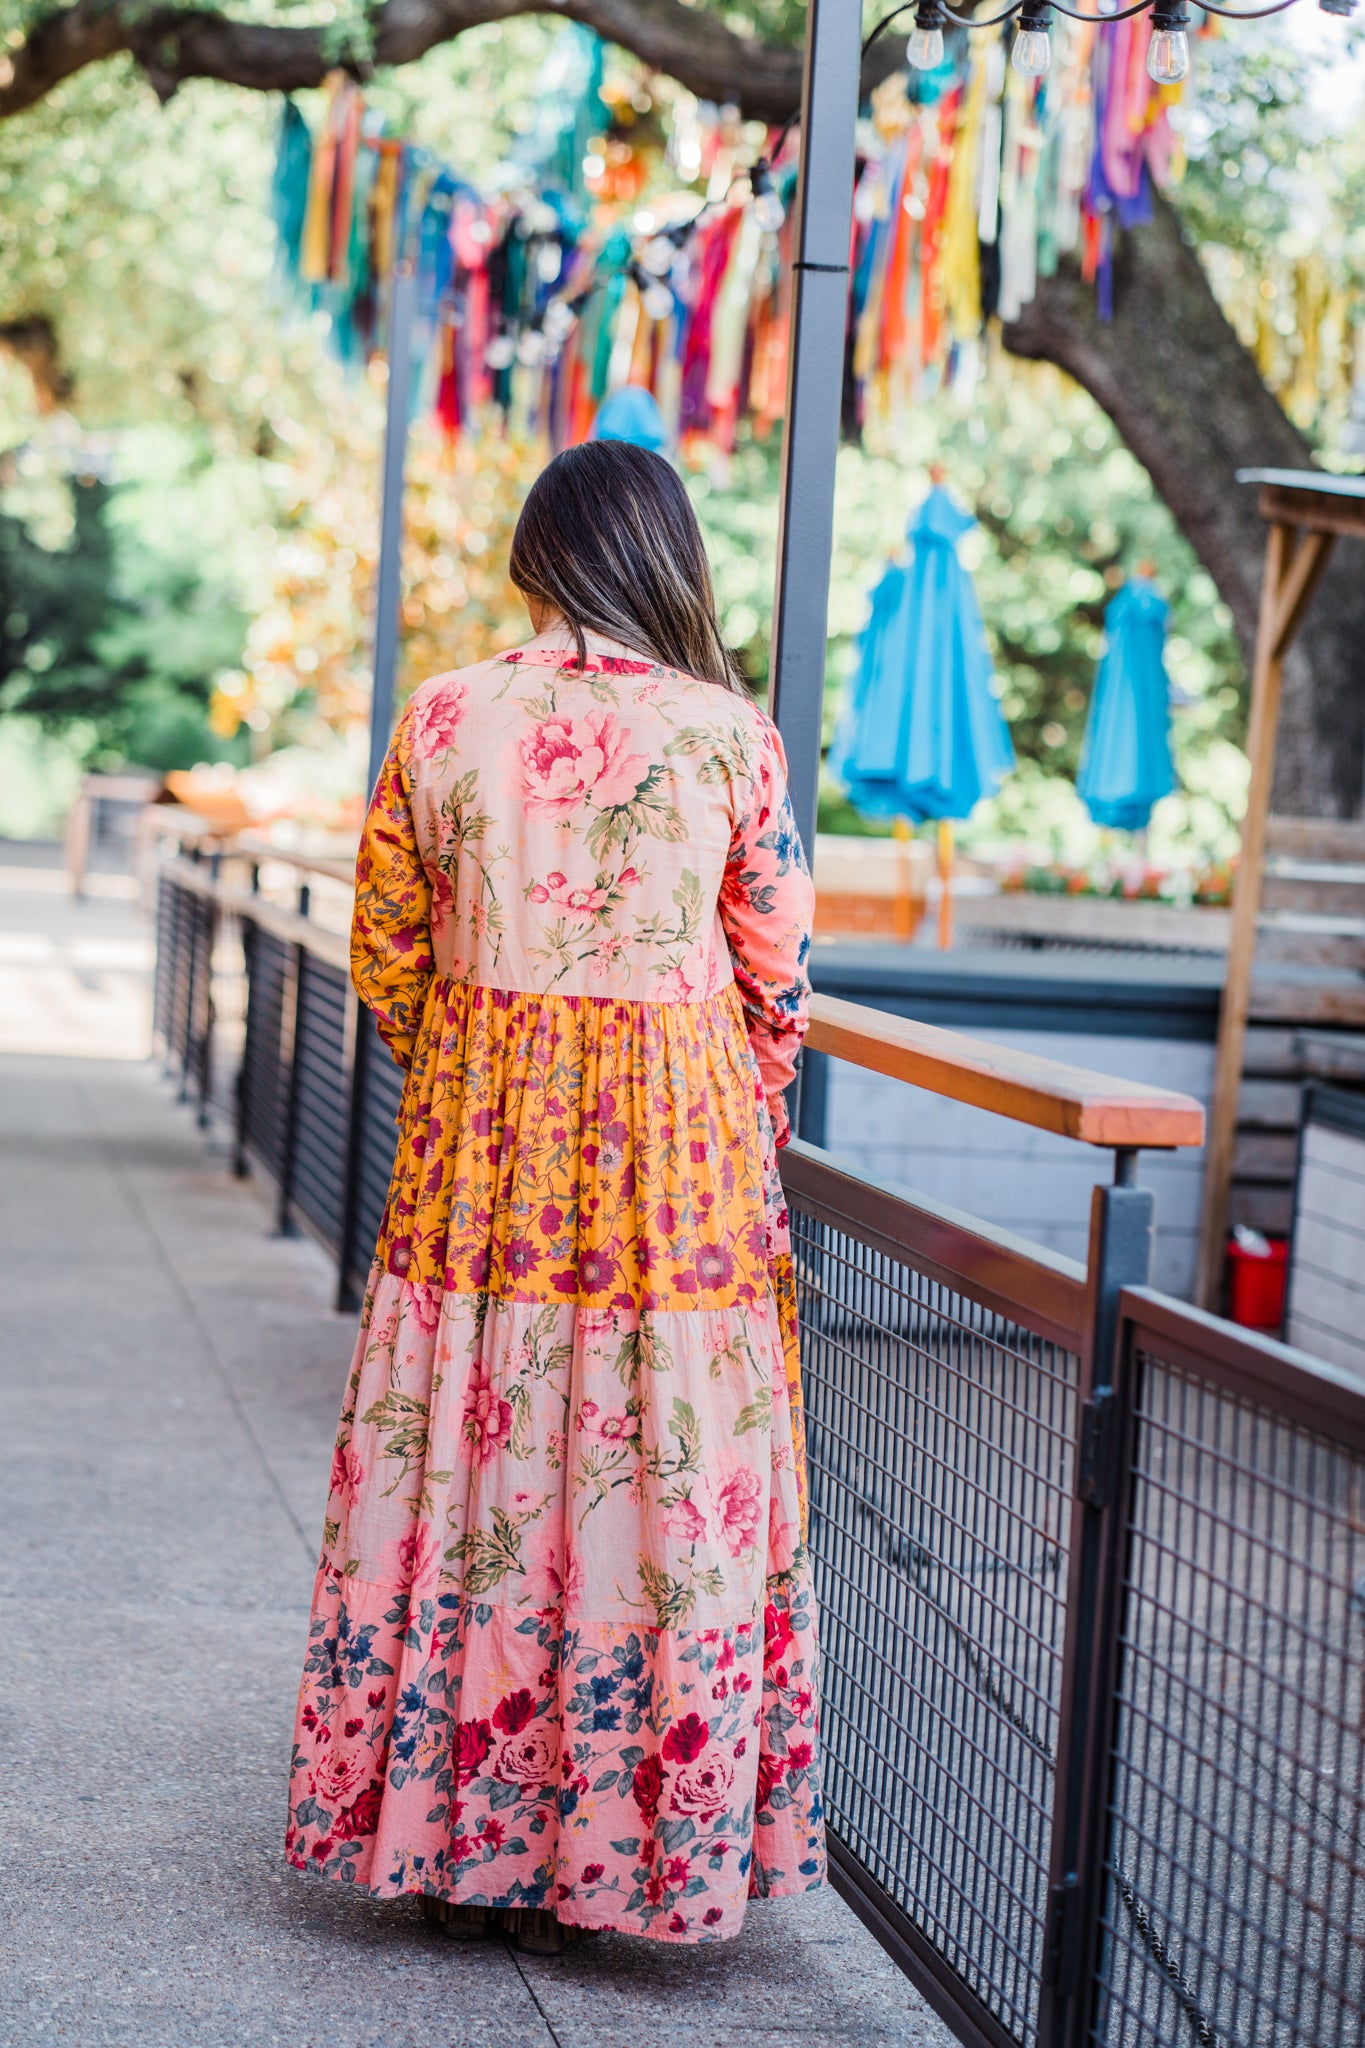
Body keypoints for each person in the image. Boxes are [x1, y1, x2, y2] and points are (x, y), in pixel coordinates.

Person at [285, 439, 824, 1952]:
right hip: (678, 1161)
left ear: (536, 557)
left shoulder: (444, 715)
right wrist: (732, 1096)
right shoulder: (728, 736)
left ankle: (452, 1839)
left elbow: (387, 944)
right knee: (662, 1468)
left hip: (481, 1144)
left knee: (467, 1453)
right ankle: (625, 1854)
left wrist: (476, 1058)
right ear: (668, 559)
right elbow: (776, 972)